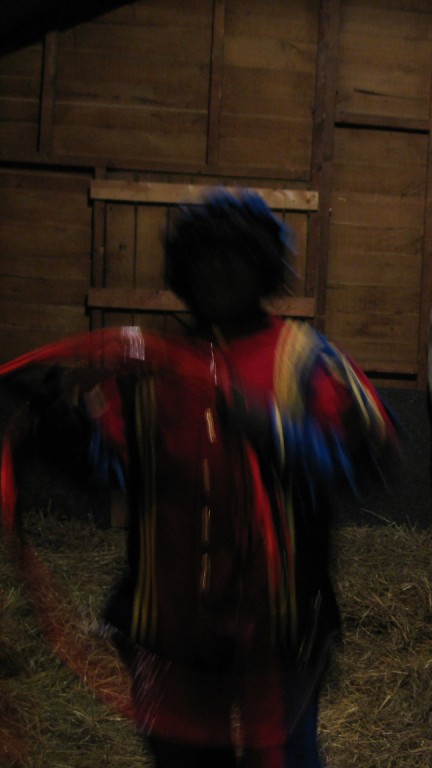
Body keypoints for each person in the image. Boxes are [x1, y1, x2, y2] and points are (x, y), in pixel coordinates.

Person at [3, 189, 400, 767]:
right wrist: (64, 437)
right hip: (170, 634)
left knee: (283, 757)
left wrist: (274, 431)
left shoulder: (304, 358)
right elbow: (113, 468)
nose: (216, 268)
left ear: (261, 265)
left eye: (232, 255)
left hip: (277, 631)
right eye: (202, 256)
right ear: (181, 269)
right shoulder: (149, 368)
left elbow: (372, 459)